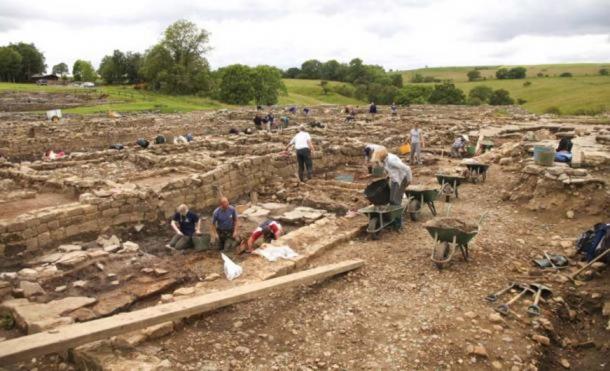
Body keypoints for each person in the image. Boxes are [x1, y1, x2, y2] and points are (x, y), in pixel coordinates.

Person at [372, 148, 412, 229]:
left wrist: (409, 180)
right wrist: (388, 175)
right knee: (392, 200)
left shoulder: (391, 161)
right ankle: (393, 219)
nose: (377, 161)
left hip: (401, 179)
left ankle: (399, 225)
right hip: (395, 179)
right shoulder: (385, 160)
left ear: (381, 156)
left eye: (378, 160)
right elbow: (389, 169)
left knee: (396, 201)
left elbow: (407, 168)